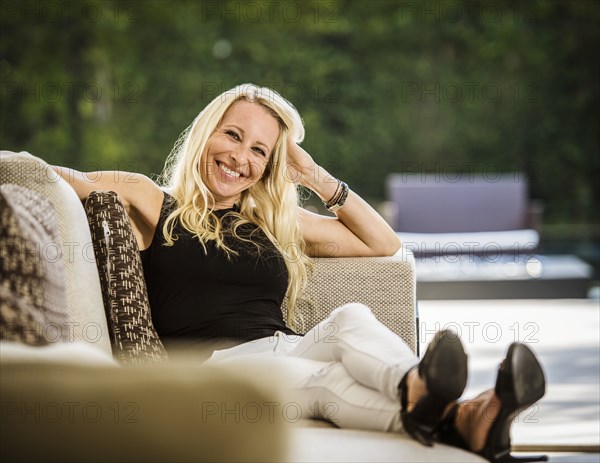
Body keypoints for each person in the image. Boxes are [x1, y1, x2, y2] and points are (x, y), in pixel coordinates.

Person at [54, 83, 547, 463]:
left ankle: (435, 398)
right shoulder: (149, 200)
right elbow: (54, 177)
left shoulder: (272, 224)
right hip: (215, 373)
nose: (240, 158)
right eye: (232, 134)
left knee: (351, 318)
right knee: (325, 383)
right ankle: (462, 413)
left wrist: (313, 175)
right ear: (206, 133)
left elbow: (383, 243)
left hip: (282, 346)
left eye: (260, 151)